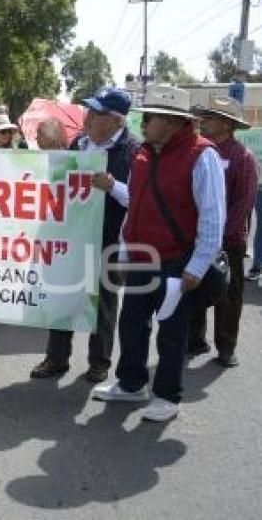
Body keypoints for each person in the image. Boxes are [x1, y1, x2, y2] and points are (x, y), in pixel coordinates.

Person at [92, 86, 225, 422]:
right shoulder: (144, 154)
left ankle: (168, 396)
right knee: (132, 323)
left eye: (148, 118)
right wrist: (123, 252)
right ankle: (132, 383)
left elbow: (212, 216)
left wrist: (196, 266)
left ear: (169, 121)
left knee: (172, 331)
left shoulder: (201, 155)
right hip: (141, 257)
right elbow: (134, 203)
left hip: (178, 259)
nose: (142, 123)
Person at [30, 87, 139, 383]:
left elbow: (141, 200)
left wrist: (113, 186)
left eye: (97, 113)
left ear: (116, 120)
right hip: (73, 237)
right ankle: (56, 359)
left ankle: (99, 363)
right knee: (62, 295)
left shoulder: (134, 151)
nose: (89, 117)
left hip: (109, 239)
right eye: (89, 111)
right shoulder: (80, 143)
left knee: (103, 303)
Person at [187, 96, 258, 367]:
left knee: (228, 296)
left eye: (210, 118)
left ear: (227, 124)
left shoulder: (242, 157)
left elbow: (243, 202)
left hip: (229, 241)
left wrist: (219, 238)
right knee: (193, 289)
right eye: (203, 117)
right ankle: (195, 340)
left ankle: (226, 347)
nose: (203, 122)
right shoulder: (199, 152)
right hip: (196, 237)